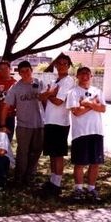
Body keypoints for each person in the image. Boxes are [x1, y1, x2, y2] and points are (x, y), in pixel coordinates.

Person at [0, 61, 48, 186]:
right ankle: (19, 178)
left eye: (27, 70)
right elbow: (6, 106)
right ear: (19, 73)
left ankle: (30, 177)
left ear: (31, 70)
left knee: (36, 151)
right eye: (22, 71)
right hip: (23, 125)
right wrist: (2, 123)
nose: (25, 73)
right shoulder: (15, 87)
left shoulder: (39, 83)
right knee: (22, 153)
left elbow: (45, 102)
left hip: (39, 124)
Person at [66, 67, 106, 201]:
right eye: (82, 73)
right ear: (77, 76)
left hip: (97, 131)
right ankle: (78, 189)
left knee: (95, 163)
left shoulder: (97, 91)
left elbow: (103, 108)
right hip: (80, 133)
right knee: (80, 163)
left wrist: (86, 103)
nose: (85, 76)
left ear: (91, 76)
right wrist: (93, 104)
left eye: (87, 74)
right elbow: (76, 112)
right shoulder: (73, 92)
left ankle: (91, 188)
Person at [41, 53, 76, 197]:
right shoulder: (56, 81)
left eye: (65, 64)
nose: (61, 66)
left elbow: (58, 101)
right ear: (55, 65)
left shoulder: (68, 81)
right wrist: (49, 93)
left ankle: (57, 184)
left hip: (60, 123)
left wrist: (49, 94)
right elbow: (41, 97)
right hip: (49, 121)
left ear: (68, 66)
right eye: (59, 63)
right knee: (51, 154)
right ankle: (52, 180)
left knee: (58, 154)